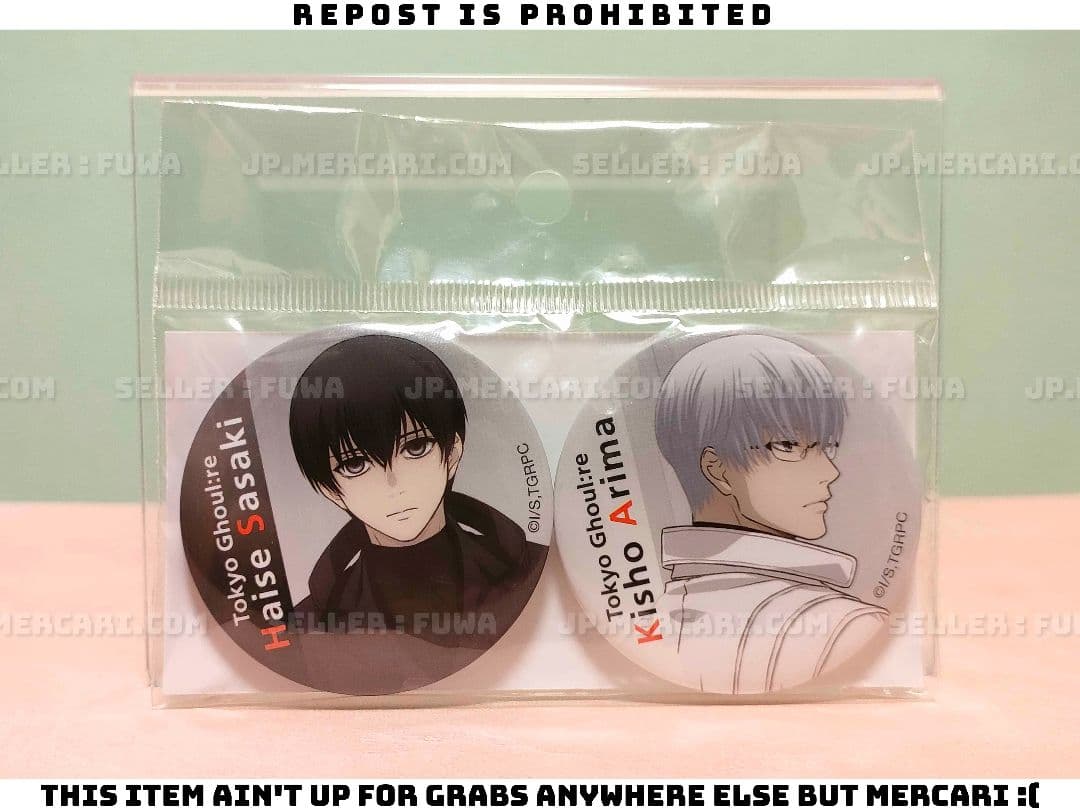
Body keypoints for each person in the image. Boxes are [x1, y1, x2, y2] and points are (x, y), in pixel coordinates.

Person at [654, 334, 886, 694]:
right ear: (717, 469)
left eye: (826, 446)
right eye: (789, 445)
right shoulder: (842, 627)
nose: (829, 471)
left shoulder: (656, 614)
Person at [287, 334, 544, 653]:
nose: (393, 484)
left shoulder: (530, 566)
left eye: (416, 447)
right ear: (330, 490)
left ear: (453, 453)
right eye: (355, 464)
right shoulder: (307, 628)